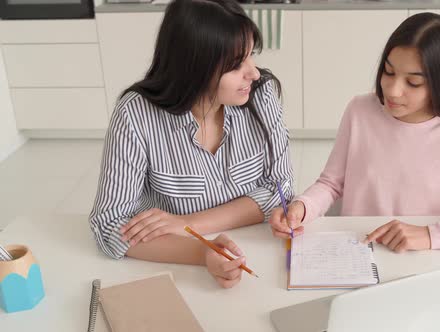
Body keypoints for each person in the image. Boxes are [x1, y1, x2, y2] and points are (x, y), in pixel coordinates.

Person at [269, 12, 440, 252]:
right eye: (388, 71)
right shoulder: (360, 110)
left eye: (413, 82)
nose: (393, 90)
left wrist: (430, 235)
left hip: (424, 262)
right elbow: (331, 183)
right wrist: (304, 207)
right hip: (356, 253)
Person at [89, 0, 293, 288]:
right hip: (173, 267)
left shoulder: (261, 94)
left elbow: (280, 191)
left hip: (262, 252)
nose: (254, 73)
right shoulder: (135, 114)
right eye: (236, 65)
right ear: (194, 67)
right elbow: (108, 224)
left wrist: (188, 224)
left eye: (251, 56)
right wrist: (202, 252)